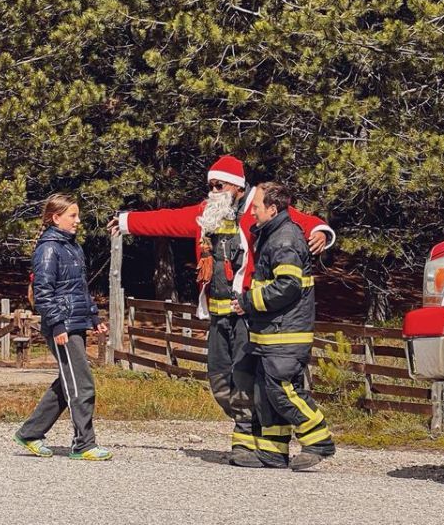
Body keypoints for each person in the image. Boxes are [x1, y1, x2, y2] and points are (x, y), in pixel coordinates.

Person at [108, 156, 334, 463]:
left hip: (248, 312)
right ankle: (252, 439)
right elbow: (169, 220)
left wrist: (320, 231)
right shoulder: (209, 213)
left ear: (238, 187)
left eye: (220, 185)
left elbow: (296, 219)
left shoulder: (259, 206)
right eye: (211, 185)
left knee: (247, 379)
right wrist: (126, 222)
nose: (213, 191)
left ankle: (251, 443)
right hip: (219, 314)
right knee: (220, 380)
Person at [233, 181, 335, 471]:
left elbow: (288, 286)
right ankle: (272, 452)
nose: (252, 212)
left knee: (282, 390)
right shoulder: (272, 234)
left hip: (286, 333)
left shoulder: (285, 239)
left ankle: (319, 440)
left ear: (272, 209)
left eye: (256, 207)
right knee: (266, 393)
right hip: (272, 332)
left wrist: (248, 302)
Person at [14, 193, 111, 461]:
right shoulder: (48, 249)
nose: (78, 220)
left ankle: (30, 433)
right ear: (56, 218)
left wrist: (94, 317)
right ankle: (84, 444)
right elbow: (43, 293)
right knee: (82, 385)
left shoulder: (72, 247)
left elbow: (79, 288)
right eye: (72, 215)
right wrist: (57, 325)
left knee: (68, 382)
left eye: (78, 215)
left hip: (76, 321)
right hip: (62, 326)